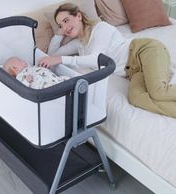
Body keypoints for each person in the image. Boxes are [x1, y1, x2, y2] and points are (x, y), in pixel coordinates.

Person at [38, 3, 176, 118]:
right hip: (134, 71)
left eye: (66, 20)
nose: (65, 27)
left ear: (79, 16)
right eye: (61, 25)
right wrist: (58, 34)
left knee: (158, 92)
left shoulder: (100, 28)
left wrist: (62, 59)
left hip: (144, 51)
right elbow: (51, 56)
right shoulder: (78, 44)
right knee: (136, 98)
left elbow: (96, 59)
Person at [3, 57, 69, 89]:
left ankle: (59, 81)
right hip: (42, 84)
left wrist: (41, 68)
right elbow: (21, 89)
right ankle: (60, 84)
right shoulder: (19, 77)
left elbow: (35, 70)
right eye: (20, 61)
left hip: (47, 76)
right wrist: (26, 81)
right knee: (48, 85)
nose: (23, 60)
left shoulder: (29, 68)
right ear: (15, 68)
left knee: (53, 79)